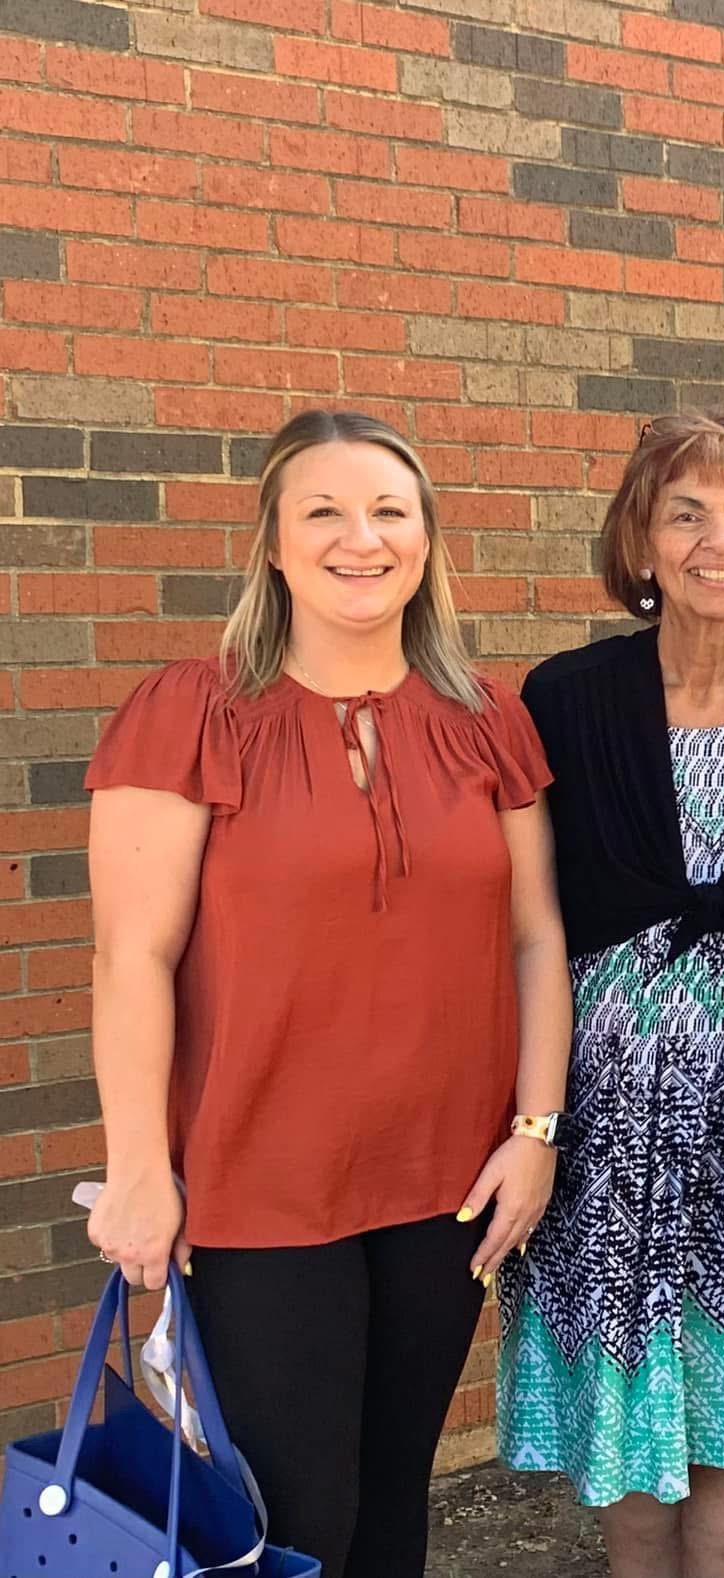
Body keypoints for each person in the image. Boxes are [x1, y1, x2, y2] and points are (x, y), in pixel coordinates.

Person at [82, 409, 569, 1578]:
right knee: (296, 1523)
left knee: (395, 1504)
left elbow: (534, 938)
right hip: (257, 1189)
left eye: (390, 511)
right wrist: (142, 1167)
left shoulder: (484, 719)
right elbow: (130, 958)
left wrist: (536, 1131)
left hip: (442, 1186)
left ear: (426, 539)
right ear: (275, 545)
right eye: (325, 512)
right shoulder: (188, 714)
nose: (363, 538)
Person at [496, 410, 724, 1578]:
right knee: (630, 1405)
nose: (720, 543)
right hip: (607, 1127)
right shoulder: (561, 697)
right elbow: (524, 919)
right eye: (688, 514)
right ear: (641, 542)